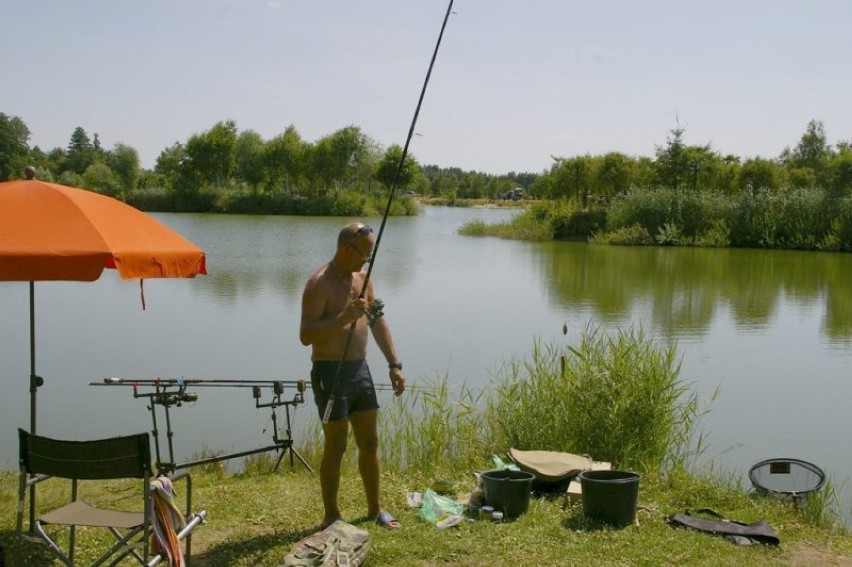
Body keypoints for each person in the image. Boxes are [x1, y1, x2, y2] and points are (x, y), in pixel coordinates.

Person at [300, 221, 406, 530]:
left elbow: (376, 321)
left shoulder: (364, 281)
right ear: (347, 249)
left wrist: (394, 364)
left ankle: (375, 509)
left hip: (360, 370)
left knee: (370, 442)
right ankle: (331, 515)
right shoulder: (318, 284)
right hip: (329, 372)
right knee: (336, 445)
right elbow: (306, 335)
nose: (367, 261)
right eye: (365, 254)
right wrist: (345, 316)